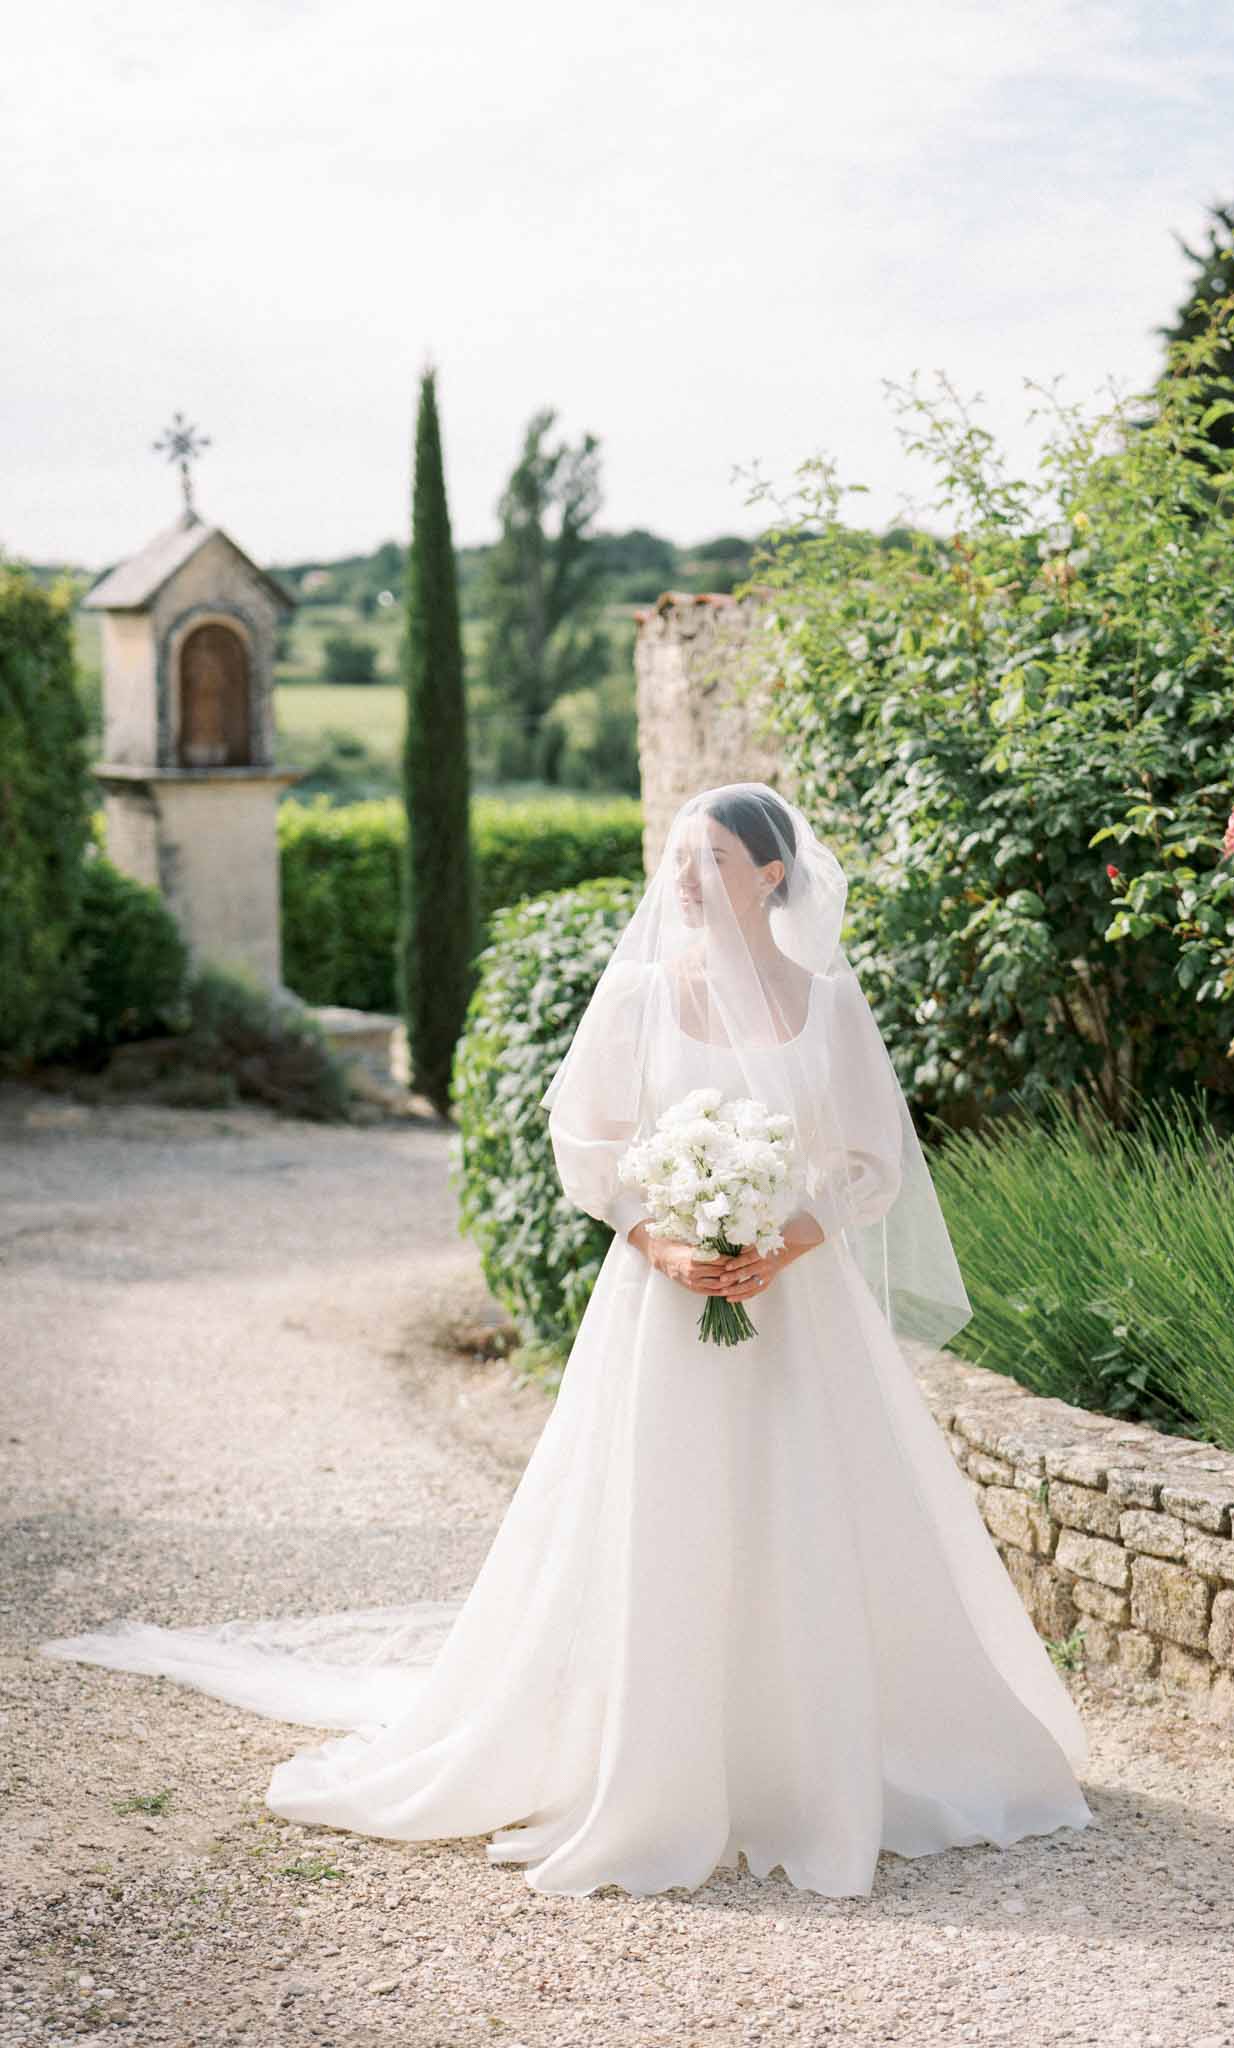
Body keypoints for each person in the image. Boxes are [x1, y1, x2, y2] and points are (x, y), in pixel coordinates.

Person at [42, 781, 1093, 1898]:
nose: (686, 880)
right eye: (680, 858)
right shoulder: (639, 995)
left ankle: (809, 1759)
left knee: (802, 1507)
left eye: (713, 862)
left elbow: (870, 1159)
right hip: (658, 1302)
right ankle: (646, 1760)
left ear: (771, 876)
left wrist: (778, 1241)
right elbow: (582, 1139)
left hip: (795, 1305)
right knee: (658, 1510)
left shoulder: (825, 1003)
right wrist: (660, 1238)